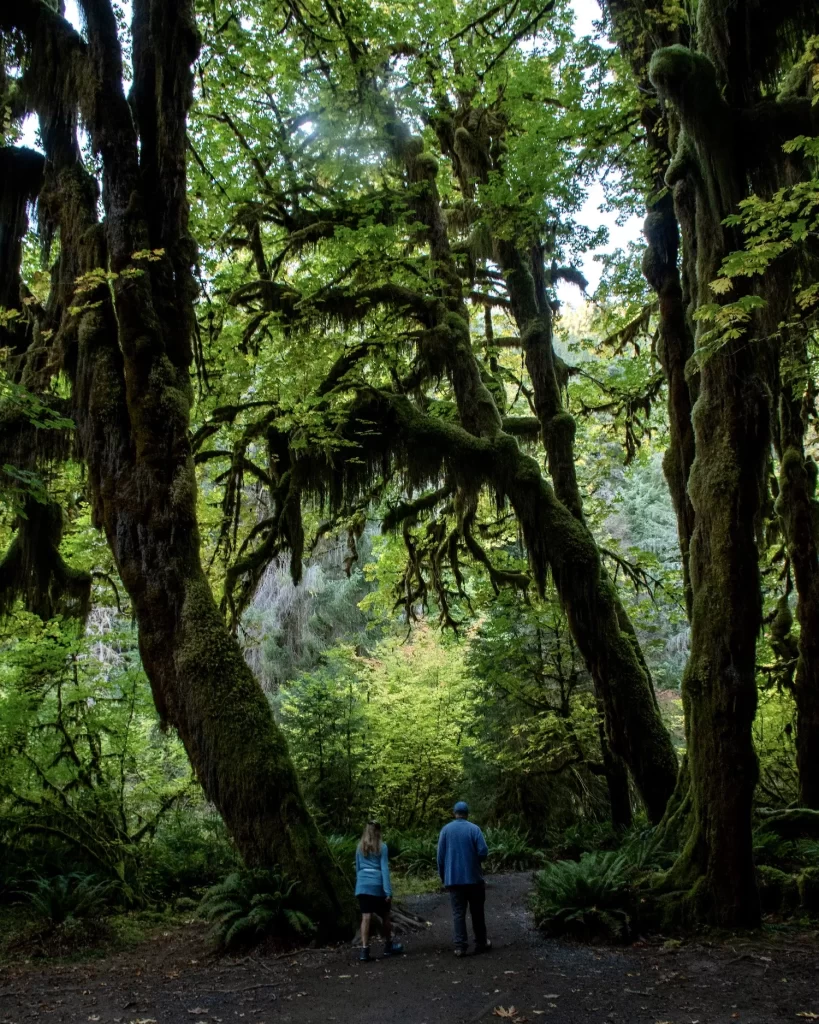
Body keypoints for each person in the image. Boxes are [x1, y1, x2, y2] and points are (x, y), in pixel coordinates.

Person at [437, 800, 491, 957]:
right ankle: (481, 942)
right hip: (474, 879)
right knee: (477, 912)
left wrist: (443, 877)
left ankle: (460, 946)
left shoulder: (446, 830)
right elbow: (483, 851)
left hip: (454, 880)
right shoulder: (474, 829)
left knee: (458, 913)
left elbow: (440, 857)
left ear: (455, 813)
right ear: (467, 814)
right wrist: (474, 861)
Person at [355, 820, 403, 962]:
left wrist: (359, 886)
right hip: (377, 885)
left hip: (363, 886)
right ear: (378, 832)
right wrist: (388, 892)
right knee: (385, 916)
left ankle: (364, 950)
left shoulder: (359, 847)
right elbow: (384, 869)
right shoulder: (382, 847)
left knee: (366, 917)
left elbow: (358, 868)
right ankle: (388, 945)